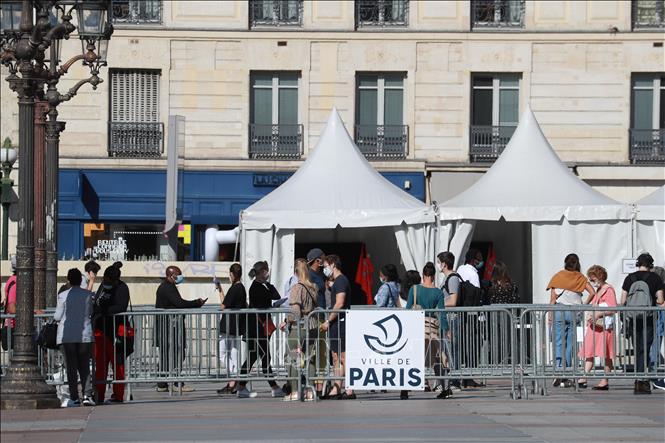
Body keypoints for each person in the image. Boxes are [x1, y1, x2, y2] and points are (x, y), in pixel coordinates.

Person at [236, 261, 285, 399]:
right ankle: (274, 387)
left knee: (253, 358)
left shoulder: (262, 286)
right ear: (261, 272)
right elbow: (273, 296)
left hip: (260, 328)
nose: (268, 273)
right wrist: (267, 285)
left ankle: (241, 387)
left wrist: (268, 283)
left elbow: (276, 296)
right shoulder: (256, 287)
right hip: (256, 329)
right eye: (266, 270)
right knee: (264, 357)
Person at [547, 253, 596, 387]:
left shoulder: (558, 276)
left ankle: (558, 370)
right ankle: (567, 373)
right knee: (570, 344)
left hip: (559, 311)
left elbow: (552, 299)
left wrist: (550, 316)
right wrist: (584, 305)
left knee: (558, 342)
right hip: (575, 312)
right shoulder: (580, 277)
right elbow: (592, 292)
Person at [155, 266, 206, 393]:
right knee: (177, 354)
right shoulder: (167, 288)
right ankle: (177, 383)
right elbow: (179, 303)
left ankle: (162, 383)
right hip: (170, 328)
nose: (180, 277)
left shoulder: (166, 286)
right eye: (178, 275)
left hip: (168, 327)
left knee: (167, 355)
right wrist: (196, 303)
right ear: (171, 275)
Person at [621, 253, 665, 394]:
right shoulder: (655, 278)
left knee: (638, 347)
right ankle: (641, 380)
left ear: (638, 263)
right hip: (649, 317)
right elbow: (660, 300)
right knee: (645, 348)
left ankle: (638, 379)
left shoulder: (629, 278)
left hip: (633, 318)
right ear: (650, 264)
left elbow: (622, 300)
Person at [405, 262, 449, 400]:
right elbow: (441, 314)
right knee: (437, 359)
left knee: (411, 358)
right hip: (431, 328)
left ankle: (404, 389)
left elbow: (407, 309)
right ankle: (445, 388)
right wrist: (446, 330)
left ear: (423, 275)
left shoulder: (415, 289)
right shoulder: (438, 292)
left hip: (416, 327)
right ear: (434, 277)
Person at [439, 251, 481, 389]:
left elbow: (453, 300)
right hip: (448, 318)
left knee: (452, 350)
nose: (438, 265)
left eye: (439, 262)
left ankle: (455, 380)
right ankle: (450, 379)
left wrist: (438, 303)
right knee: (448, 349)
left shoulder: (452, 278)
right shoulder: (449, 278)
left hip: (452, 318)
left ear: (444, 264)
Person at [54, 269, 95, 407]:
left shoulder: (63, 295)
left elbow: (57, 316)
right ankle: (87, 394)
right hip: (85, 334)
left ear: (69, 280)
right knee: (84, 367)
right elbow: (90, 312)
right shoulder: (88, 294)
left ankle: (74, 397)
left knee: (71, 367)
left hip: (68, 335)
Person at [280, 258, 318, 401]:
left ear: (295, 271)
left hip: (299, 326)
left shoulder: (297, 287)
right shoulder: (313, 286)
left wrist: (286, 321)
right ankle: (309, 391)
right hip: (312, 325)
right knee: (310, 358)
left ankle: (295, 391)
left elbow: (295, 310)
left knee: (292, 357)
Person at [93, 262, 130, 404]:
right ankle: (99, 395)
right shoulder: (103, 286)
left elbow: (121, 306)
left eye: (108, 280)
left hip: (116, 332)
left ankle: (118, 395)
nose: (105, 282)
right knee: (100, 366)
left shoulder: (122, 288)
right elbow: (97, 301)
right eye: (104, 279)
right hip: (100, 330)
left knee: (118, 365)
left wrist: (103, 311)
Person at [320, 254, 355, 399]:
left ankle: (349, 389)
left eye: (326, 266)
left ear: (333, 265)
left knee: (343, 357)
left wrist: (328, 320)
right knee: (336, 357)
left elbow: (340, 303)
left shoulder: (341, 281)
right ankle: (336, 388)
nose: (324, 269)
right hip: (337, 323)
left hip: (341, 322)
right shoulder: (338, 281)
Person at [577, 265, 616, 391]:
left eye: (593, 279)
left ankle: (604, 380)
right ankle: (584, 376)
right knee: (589, 351)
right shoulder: (600, 289)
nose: (591, 282)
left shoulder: (608, 289)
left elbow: (612, 307)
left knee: (606, 354)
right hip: (595, 326)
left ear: (600, 277)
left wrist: (598, 313)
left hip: (603, 327)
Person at [216, 263, 246, 395]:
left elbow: (223, 305)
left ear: (232, 274)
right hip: (236, 325)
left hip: (228, 325)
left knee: (222, 354)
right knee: (234, 355)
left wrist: (219, 290)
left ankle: (234, 378)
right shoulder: (242, 288)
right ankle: (233, 382)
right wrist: (220, 289)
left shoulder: (235, 288)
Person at [649, 266, 665, 391]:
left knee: (652, 346)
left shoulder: (651, 287)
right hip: (658, 323)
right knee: (655, 346)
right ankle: (652, 373)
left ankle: (650, 373)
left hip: (651, 322)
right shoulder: (661, 288)